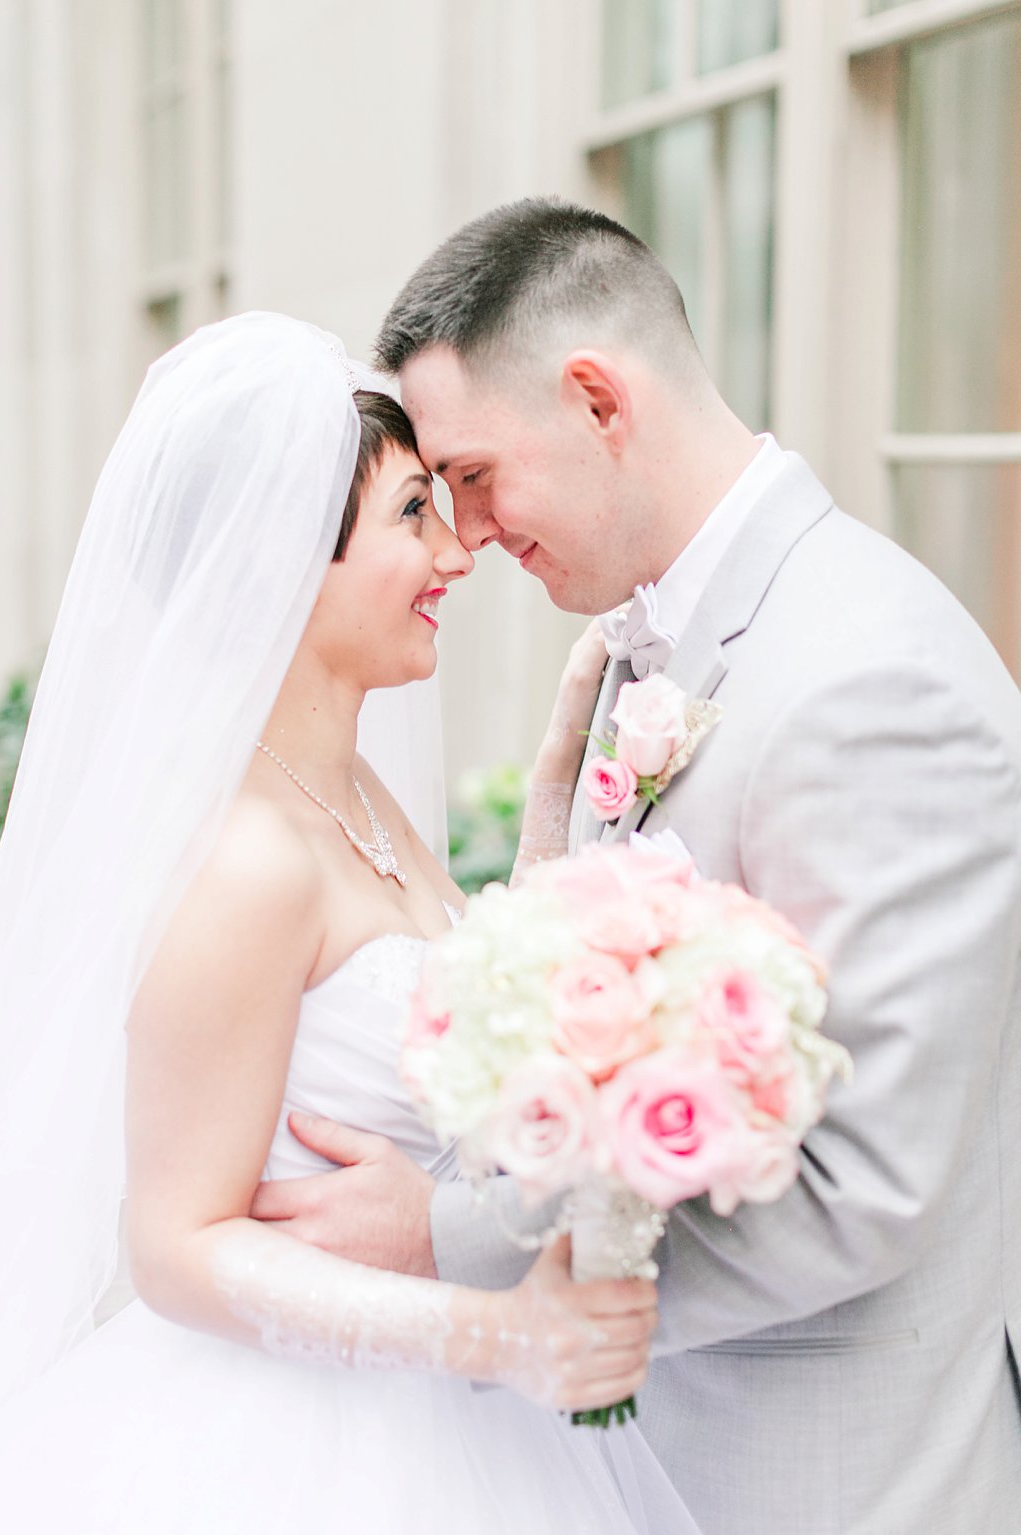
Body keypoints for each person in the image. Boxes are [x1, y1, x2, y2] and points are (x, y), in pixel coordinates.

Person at [259, 199, 1021, 1534]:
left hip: (818, 1481)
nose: (471, 531)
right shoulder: (654, 646)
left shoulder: (865, 677)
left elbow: (864, 1187)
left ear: (599, 400)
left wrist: (447, 1239)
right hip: (650, 1455)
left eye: (477, 474)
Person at [0, 314, 697, 1532]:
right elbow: (171, 1242)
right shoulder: (248, 859)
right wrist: (487, 1324)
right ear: (283, 558)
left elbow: (458, 985)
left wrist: (553, 796)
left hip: (458, 1417)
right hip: (297, 1447)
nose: (456, 553)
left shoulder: (351, 787)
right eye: (413, 515)